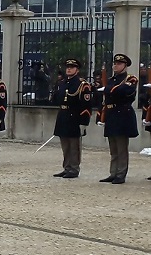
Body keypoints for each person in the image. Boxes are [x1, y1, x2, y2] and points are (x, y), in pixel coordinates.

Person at [100, 53, 139, 183]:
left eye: (119, 64)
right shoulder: (112, 79)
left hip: (123, 114)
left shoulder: (131, 79)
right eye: (115, 63)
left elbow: (124, 91)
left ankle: (121, 174)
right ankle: (113, 172)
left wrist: (109, 89)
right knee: (113, 148)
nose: (116, 66)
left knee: (121, 147)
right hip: (111, 114)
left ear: (125, 66)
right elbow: (110, 91)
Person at [52, 58, 92, 179]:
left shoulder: (82, 84)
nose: (69, 69)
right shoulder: (63, 83)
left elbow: (86, 105)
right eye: (67, 67)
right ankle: (67, 167)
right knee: (65, 145)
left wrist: (84, 122)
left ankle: (74, 168)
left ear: (77, 69)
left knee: (74, 146)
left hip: (75, 117)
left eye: (72, 67)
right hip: (63, 116)